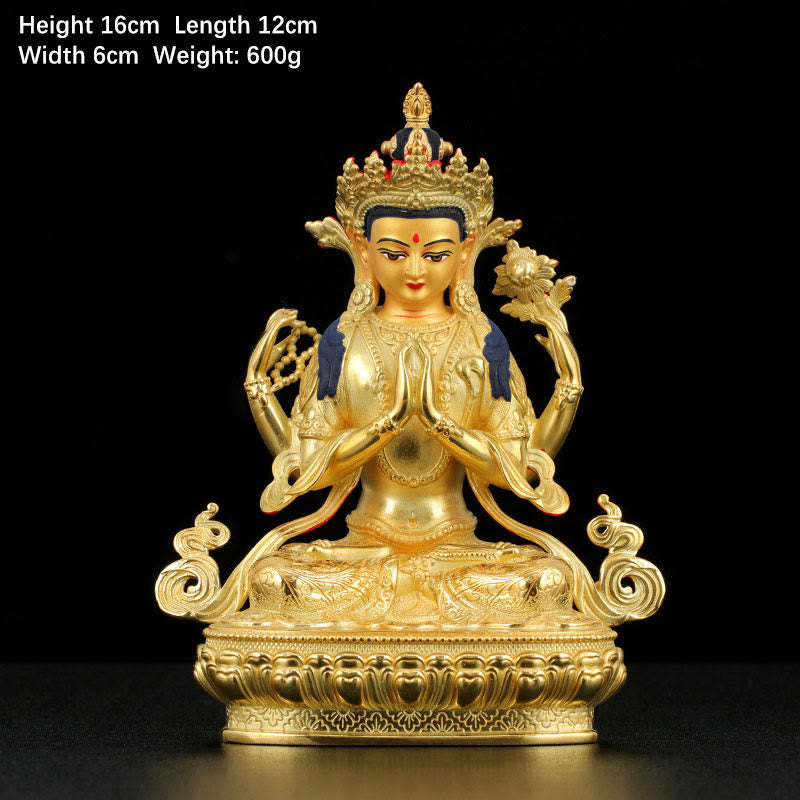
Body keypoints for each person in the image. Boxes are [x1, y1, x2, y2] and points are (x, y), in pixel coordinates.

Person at [239, 87, 584, 626]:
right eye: (395, 253)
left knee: (546, 580)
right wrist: (386, 424)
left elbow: (515, 468)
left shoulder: (483, 341)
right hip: (363, 545)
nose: (416, 271)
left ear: (464, 255)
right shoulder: (341, 340)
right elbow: (310, 466)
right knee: (274, 579)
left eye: (437, 254)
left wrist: (445, 424)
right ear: (364, 252)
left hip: (459, 546)